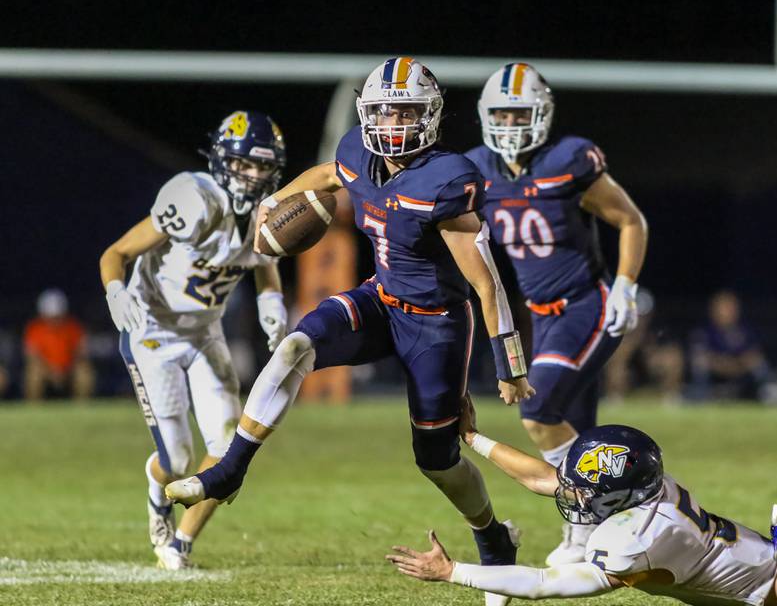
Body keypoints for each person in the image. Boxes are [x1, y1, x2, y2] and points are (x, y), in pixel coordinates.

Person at [167, 57, 533, 605]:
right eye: (383, 109)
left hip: (435, 326)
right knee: (296, 345)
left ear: (429, 115)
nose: (391, 121)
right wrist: (274, 204)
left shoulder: (447, 178)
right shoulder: (356, 152)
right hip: (379, 299)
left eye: (404, 110)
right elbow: (325, 175)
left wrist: (510, 362)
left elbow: (487, 282)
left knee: (437, 458)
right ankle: (230, 470)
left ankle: (492, 539)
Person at [465, 62, 648, 564]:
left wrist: (626, 287)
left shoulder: (566, 162)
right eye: (499, 114)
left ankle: (610, 506)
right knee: (578, 426)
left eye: (518, 114)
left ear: (541, 115)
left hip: (586, 305)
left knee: (539, 408)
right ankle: (584, 531)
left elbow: (630, 220)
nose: (508, 124)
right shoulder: (476, 169)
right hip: (540, 318)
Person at [99, 110, 289, 570]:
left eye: (263, 167)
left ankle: (180, 544)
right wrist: (115, 289)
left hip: (206, 332)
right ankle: (155, 492)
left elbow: (261, 257)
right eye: (245, 164)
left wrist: (272, 299)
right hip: (153, 332)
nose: (253, 175)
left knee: (229, 451)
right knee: (177, 457)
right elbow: (117, 252)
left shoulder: (272, 211)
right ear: (224, 160)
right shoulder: (194, 199)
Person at [388, 401, 777, 606]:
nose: (574, 495)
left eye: (586, 491)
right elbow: (546, 478)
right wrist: (474, 437)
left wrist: (451, 572)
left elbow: (542, 584)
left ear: (621, 496)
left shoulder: (639, 538)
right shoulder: (650, 489)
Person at [689, 290, 770, 401]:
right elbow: (702, 355)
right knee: (700, 361)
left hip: (740, 373)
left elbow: (752, 354)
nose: (729, 311)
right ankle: (700, 396)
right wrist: (724, 364)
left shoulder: (745, 330)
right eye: (724, 307)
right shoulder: (704, 331)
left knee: (758, 361)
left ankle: (768, 391)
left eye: (731, 307)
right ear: (714, 310)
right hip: (715, 374)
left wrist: (736, 365)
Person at [23, 288, 95, 401]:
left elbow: (81, 354)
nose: (54, 320)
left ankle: (82, 408)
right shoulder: (35, 329)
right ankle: (34, 409)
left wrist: (66, 369)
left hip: (69, 369)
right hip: (45, 371)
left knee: (84, 372)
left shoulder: (73, 327)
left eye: (57, 316)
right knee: (33, 373)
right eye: (50, 316)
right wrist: (51, 372)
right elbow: (33, 357)